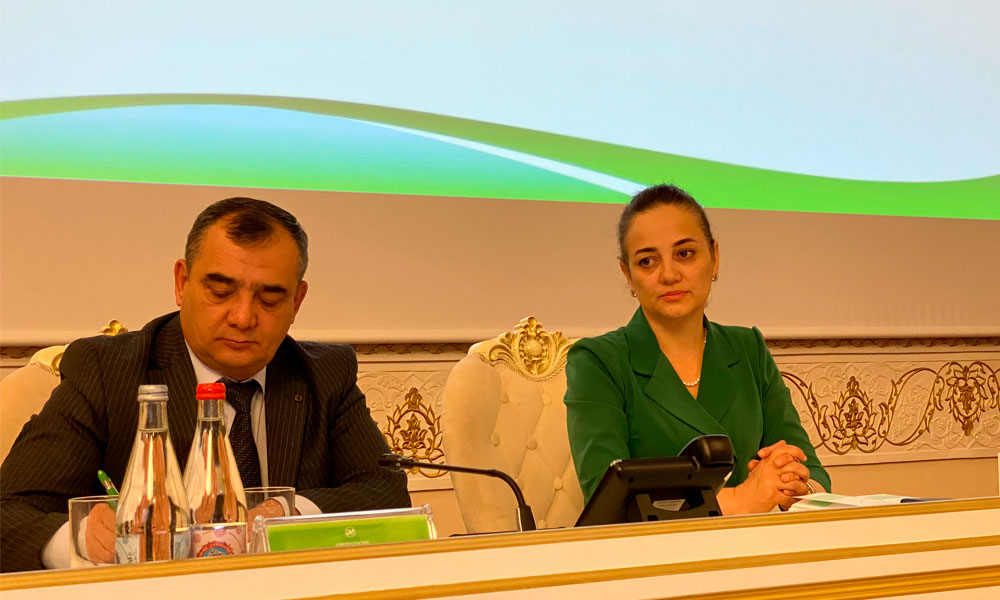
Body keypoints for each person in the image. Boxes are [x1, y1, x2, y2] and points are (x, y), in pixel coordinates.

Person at [0, 198, 410, 572]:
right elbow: (9, 511)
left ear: (297, 302)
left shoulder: (325, 373)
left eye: (269, 299)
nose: (243, 317)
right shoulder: (108, 371)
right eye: (220, 290)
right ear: (182, 283)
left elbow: (385, 491)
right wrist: (79, 541)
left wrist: (288, 514)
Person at [564, 184, 830, 515]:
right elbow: (608, 504)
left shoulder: (748, 348)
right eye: (647, 261)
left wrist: (794, 485)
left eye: (684, 254)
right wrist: (741, 499)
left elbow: (813, 474)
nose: (669, 274)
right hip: (657, 549)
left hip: (756, 543)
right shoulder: (597, 362)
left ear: (714, 258)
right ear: (627, 275)